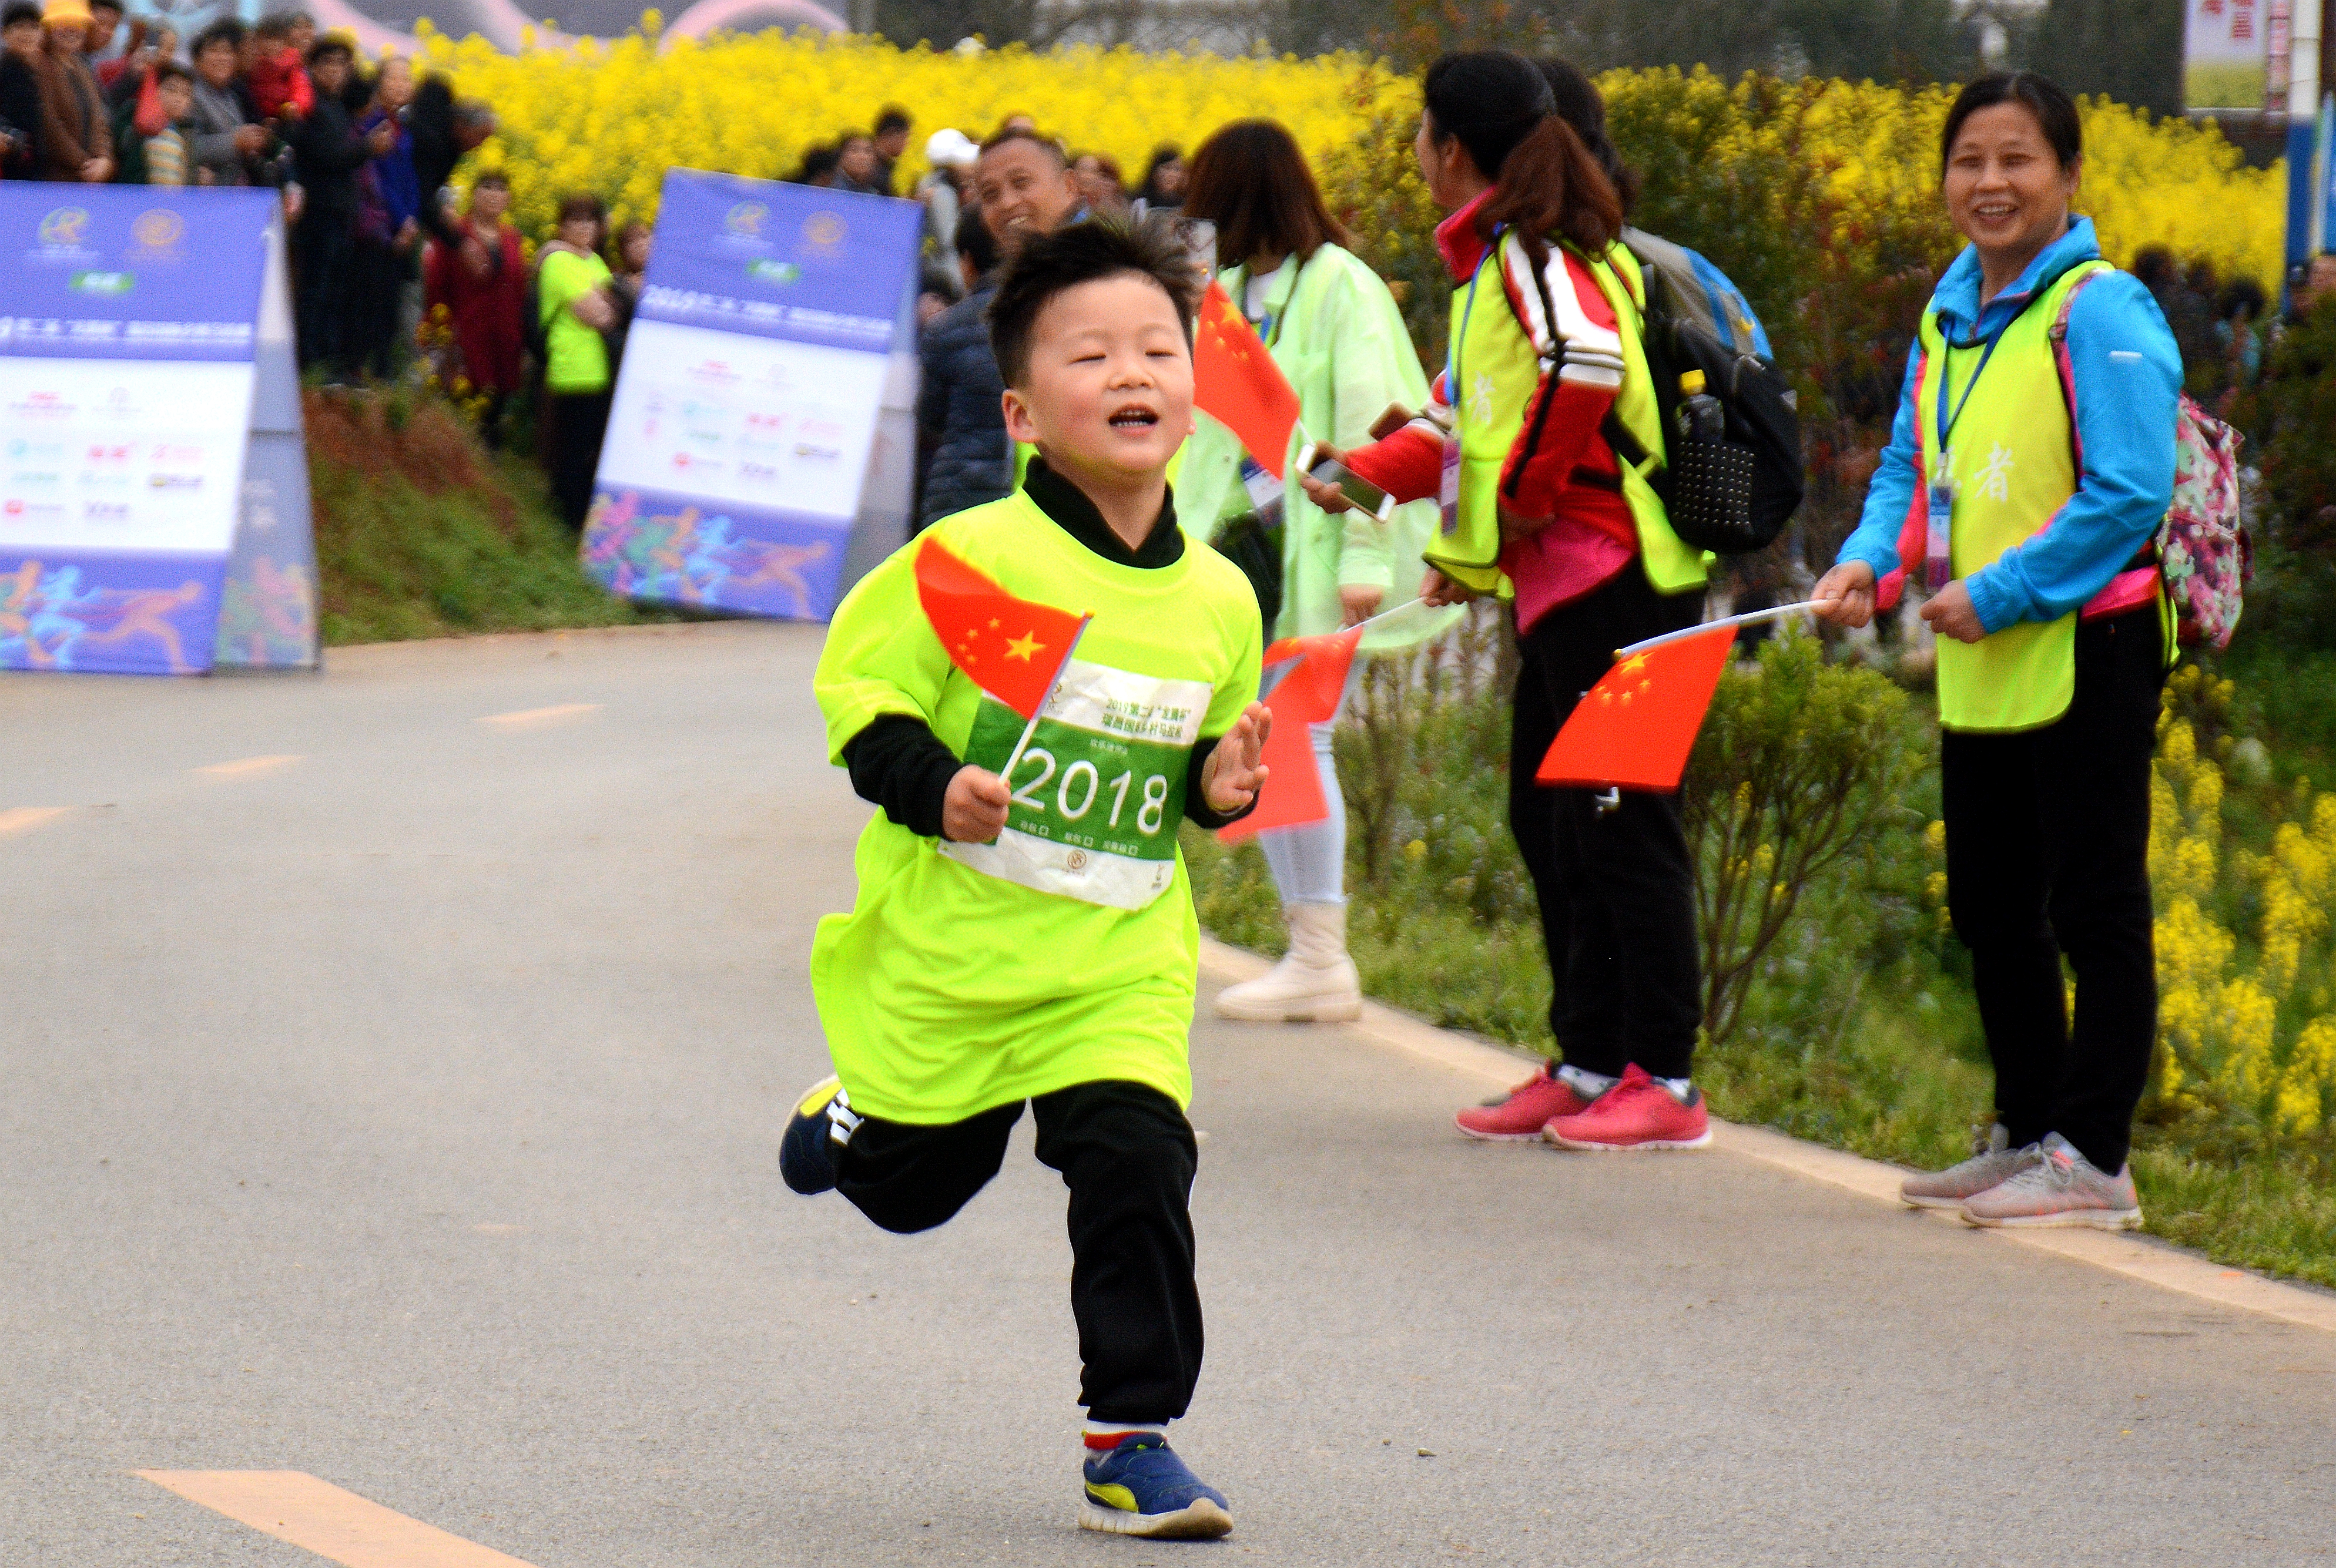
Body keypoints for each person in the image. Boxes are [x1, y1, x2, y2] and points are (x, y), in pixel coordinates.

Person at [782, 217, 1266, 1542]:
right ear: (1019, 408)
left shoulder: (1223, 598)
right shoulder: (963, 564)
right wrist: (933, 781)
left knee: (1137, 1156)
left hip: (1113, 963)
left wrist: (1219, 789)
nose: (1132, 371)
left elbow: (1189, 779)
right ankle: (852, 1117)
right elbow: (861, 700)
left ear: (1192, 382)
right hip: (960, 960)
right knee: (914, 1187)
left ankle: (1131, 1438)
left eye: (1157, 348)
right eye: (1090, 351)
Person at [1305, 50, 1716, 1152]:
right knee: (1556, 823)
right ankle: (1589, 1058)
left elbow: (1579, 369)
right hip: (1568, 591)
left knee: (1626, 827)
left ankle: (1665, 1078)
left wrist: (1525, 505)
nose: (1418, 154)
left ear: (1451, 148)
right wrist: (1360, 473)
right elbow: (1462, 425)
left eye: (1422, 134)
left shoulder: (1533, 257)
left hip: (1620, 585)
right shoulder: (1500, 265)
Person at [1812, 72, 2180, 1229]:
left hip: (2089, 642)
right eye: (1968, 160)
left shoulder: (2101, 309)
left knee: (2094, 904)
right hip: (1979, 650)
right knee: (1988, 902)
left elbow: (2129, 489)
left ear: (2066, 176)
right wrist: (1868, 559)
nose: (1989, 183)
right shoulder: (1948, 313)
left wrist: (2007, 587)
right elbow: (1904, 471)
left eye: (2015, 159)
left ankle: (2095, 1155)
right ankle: (2026, 1129)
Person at [1172, 118, 1437, 1023]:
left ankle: (1321, 955)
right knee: (1265, 736)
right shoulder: (1233, 294)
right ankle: (1307, 948)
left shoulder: (1339, 286)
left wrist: (1366, 551)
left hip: (1319, 555)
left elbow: (1373, 425)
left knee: (1302, 736)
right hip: (1246, 555)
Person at [289, 38, 384, 377]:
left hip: (341, 213)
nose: (335, 72)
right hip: (319, 212)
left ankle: (324, 359)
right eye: (326, 63)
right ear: (313, 68)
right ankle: (305, 362)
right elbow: (330, 157)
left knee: (333, 289)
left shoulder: (339, 105)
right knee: (314, 288)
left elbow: (367, 91)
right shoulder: (311, 106)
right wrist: (369, 147)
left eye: (342, 65)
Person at [915, 202, 1006, 527]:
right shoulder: (1055, 320)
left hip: (959, 493)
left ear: (968, 264)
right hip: (1032, 494)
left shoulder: (946, 328)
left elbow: (931, 417)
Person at [423, 169, 525, 445]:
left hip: (503, 333)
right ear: (474, 194)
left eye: (501, 189)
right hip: (465, 329)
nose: (494, 195)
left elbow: (519, 288)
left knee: (496, 403)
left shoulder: (513, 239)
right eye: (487, 188)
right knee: (461, 398)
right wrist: (437, 328)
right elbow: (437, 281)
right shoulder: (456, 234)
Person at [535, 192, 617, 529]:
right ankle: (567, 516)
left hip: (598, 369)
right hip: (572, 367)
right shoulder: (557, 261)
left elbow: (612, 314)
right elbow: (598, 313)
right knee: (571, 446)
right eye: (575, 221)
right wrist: (603, 307)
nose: (584, 228)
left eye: (590, 221)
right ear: (562, 226)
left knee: (588, 446)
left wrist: (604, 309)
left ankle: (576, 511)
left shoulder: (595, 262)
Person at [32, 0, 109, 183]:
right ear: (48, 28)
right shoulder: (40, 65)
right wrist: (84, 163)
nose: (72, 29)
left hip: (90, 180)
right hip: (55, 179)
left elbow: (99, 120)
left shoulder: (82, 66)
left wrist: (104, 159)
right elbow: (48, 122)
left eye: (78, 24)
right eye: (63, 22)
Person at [186, 19, 267, 187]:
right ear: (197, 61)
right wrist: (235, 142)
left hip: (234, 194)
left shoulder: (232, 96)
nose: (222, 58)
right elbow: (187, 147)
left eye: (228, 52)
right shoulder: (190, 94)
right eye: (214, 51)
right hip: (203, 196)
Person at [111, 53, 190, 183]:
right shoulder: (132, 113)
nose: (178, 98)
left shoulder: (187, 130)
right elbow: (122, 146)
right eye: (172, 89)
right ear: (154, 89)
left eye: (185, 93)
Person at [0, 0, 45, 180]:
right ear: (5, 33)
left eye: (34, 27)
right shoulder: (4, 69)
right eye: (19, 26)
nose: (27, 34)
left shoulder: (41, 72)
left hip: (38, 172)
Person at [246, 11, 309, 123]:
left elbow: (301, 87)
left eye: (278, 40)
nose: (273, 45)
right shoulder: (251, 63)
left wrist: (296, 106)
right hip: (256, 114)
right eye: (268, 39)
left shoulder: (292, 64)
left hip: (286, 115)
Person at [1130, 144, 1182, 217]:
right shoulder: (1141, 204)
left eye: (1177, 169)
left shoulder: (1186, 204)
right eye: (1167, 168)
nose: (1172, 174)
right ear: (1154, 172)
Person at [1072, 150, 1128, 217]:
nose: (1088, 176)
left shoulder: (1105, 209)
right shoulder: (1064, 202)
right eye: (1083, 169)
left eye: (1093, 171)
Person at [870, 103, 909, 193]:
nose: (907, 143)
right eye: (905, 137)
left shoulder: (885, 164)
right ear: (890, 134)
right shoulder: (871, 167)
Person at [832, 130, 884, 195]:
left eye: (868, 151)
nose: (862, 157)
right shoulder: (828, 187)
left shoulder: (874, 194)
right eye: (854, 150)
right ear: (841, 156)